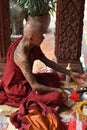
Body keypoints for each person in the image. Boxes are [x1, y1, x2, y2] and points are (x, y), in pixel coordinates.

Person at [0, 19, 82, 107]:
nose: (43, 38)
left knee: (53, 77)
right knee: (57, 97)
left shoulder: (31, 43)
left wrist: (70, 73)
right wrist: (57, 90)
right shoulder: (22, 57)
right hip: (17, 88)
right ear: (31, 38)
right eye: (40, 36)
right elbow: (35, 86)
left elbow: (48, 62)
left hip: (26, 79)